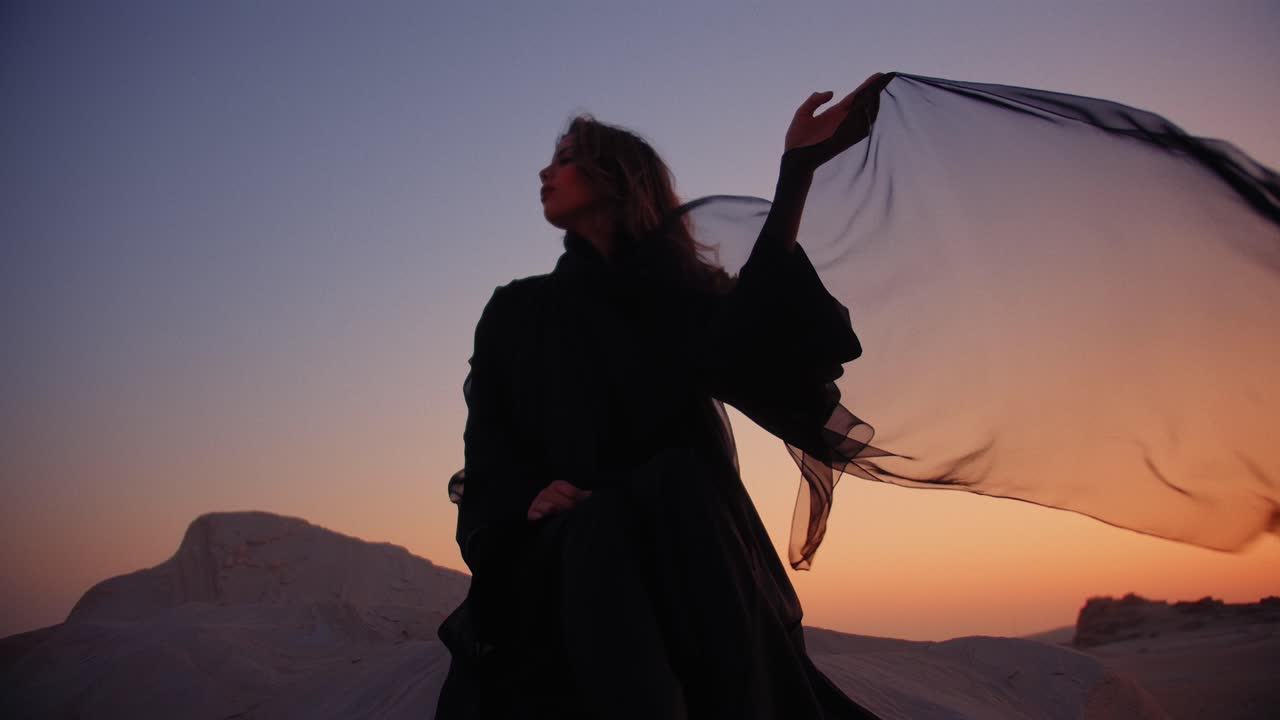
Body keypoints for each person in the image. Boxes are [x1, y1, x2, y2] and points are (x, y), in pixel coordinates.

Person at [434, 73, 892, 719]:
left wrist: (796, 174)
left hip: (687, 554)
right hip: (564, 563)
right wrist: (525, 498)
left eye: (567, 158)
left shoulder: (674, 298)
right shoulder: (517, 309)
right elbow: (490, 444)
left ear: (616, 178)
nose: (546, 170)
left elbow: (763, 342)